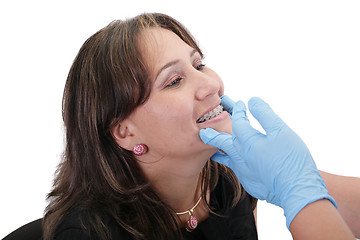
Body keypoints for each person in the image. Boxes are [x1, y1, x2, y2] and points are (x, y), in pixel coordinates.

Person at [43, 13, 359, 240]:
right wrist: (296, 188)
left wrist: (298, 180)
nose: (210, 84)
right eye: (175, 80)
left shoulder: (231, 183)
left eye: (199, 64)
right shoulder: (88, 233)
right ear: (126, 132)